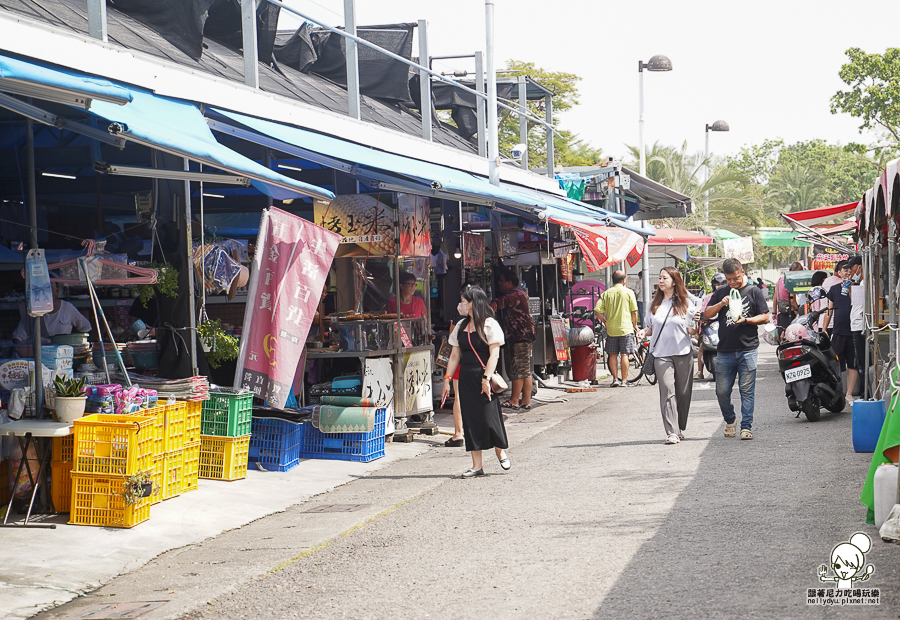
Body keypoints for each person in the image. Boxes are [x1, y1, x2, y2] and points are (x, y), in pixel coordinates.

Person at [441, 286, 510, 478]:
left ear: (473, 303)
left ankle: (500, 451)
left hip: (484, 374)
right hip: (466, 377)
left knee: (489, 417)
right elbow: (454, 355)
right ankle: (476, 465)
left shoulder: (489, 325)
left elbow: (494, 354)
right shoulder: (461, 325)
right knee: (470, 419)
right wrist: (447, 379)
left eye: (463, 301)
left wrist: (486, 378)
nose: (460, 305)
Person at [704, 258, 770, 440]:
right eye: (729, 279)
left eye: (735, 278)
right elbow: (707, 314)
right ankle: (730, 419)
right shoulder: (721, 292)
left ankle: (746, 426)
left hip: (748, 349)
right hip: (724, 350)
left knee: (746, 390)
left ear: (742, 272)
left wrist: (747, 320)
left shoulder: (754, 291)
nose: (733, 282)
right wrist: (720, 304)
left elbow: (765, 317)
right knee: (722, 391)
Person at [637, 268, 698, 444]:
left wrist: (698, 325)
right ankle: (671, 431)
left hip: (683, 353)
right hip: (661, 354)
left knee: (683, 393)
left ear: (674, 281)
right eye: (660, 277)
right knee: (667, 390)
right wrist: (643, 332)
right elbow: (650, 328)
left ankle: (680, 427)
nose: (661, 281)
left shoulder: (686, 303)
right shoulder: (653, 305)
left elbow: (691, 330)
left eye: (665, 278)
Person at [491, 269, 535, 410]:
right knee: (524, 369)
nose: (499, 283)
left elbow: (499, 302)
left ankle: (515, 400)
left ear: (509, 282)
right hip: (521, 335)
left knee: (519, 368)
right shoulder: (519, 293)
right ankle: (525, 401)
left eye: (501, 281)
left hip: (520, 336)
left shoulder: (515, 294)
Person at [822, 260, 857, 408]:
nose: (848, 272)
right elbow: (829, 310)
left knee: (853, 364)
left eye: (850, 270)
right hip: (837, 331)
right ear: (839, 273)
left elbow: (857, 304)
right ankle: (837, 392)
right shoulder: (834, 289)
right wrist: (824, 329)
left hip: (854, 330)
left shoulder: (857, 288)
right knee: (835, 363)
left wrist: (849, 289)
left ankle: (849, 394)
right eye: (845, 270)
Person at [594, 270, 639, 387]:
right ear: (624, 280)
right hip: (626, 328)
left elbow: (597, 310)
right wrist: (635, 325)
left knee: (612, 354)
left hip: (611, 329)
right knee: (624, 355)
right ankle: (624, 381)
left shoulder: (607, 293)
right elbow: (634, 311)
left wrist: (605, 321)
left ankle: (615, 379)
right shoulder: (629, 292)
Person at [12, 283, 91, 344]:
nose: (44, 294)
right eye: (41, 291)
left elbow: (86, 327)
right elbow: (18, 337)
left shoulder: (68, 308)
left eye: (48, 290)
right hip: (39, 355)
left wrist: (72, 340)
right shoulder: (33, 310)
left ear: (56, 292)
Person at [696, 272, 727, 380]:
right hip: (709, 326)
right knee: (701, 347)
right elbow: (702, 311)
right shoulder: (708, 297)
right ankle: (699, 371)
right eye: (717, 283)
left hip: (724, 326)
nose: (719, 285)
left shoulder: (729, 296)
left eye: (722, 283)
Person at [848, 256, 866, 398]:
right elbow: (855, 303)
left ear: (859, 267)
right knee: (859, 360)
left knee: (861, 362)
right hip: (856, 325)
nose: (851, 271)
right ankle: (865, 391)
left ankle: (865, 392)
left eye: (852, 267)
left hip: (860, 326)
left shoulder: (865, 283)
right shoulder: (860, 284)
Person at [775, 262, 804, 341]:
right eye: (800, 270)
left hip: (781, 314)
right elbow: (793, 301)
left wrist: (774, 313)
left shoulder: (780, 279)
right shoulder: (791, 281)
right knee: (790, 338)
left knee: (782, 338)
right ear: (793, 270)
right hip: (789, 314)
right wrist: (798, 316)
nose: (801, 273)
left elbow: (775, 297)